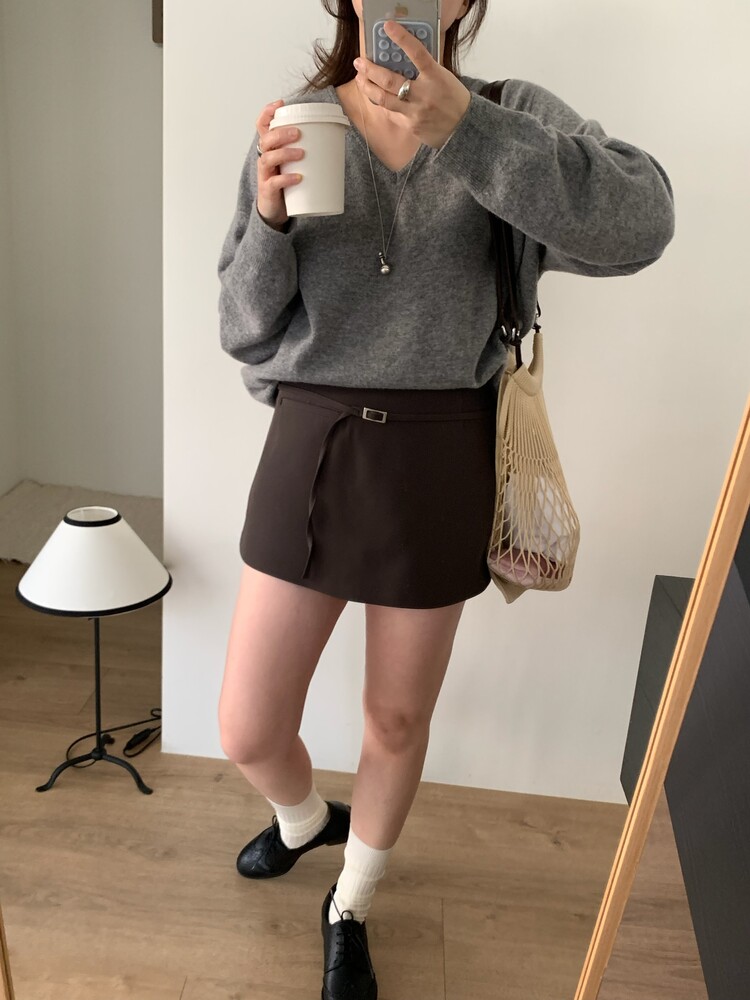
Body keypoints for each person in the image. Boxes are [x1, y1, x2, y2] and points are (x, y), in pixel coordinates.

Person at [216, 2, 676, 997]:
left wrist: (469, 130)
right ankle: (301, 819)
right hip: (313, 437)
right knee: (248, 724)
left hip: (442, 447)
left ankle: (351, 901)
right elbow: (243, 327)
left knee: (394, 718)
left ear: (462, 2)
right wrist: (269, 222)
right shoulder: (298, 122)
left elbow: (644, 223)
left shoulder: (509, 113)